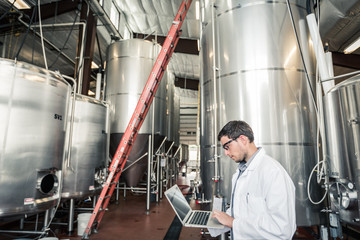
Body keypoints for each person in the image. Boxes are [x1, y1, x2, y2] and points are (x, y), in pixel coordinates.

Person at [211, 120, 296, 239]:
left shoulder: (273, 173)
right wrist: (216, 219)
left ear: (243, 140)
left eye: (227, 147)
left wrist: (232, 223)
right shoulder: (240, 172)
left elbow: (281, 229)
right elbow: (241, 211)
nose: (225, 153)